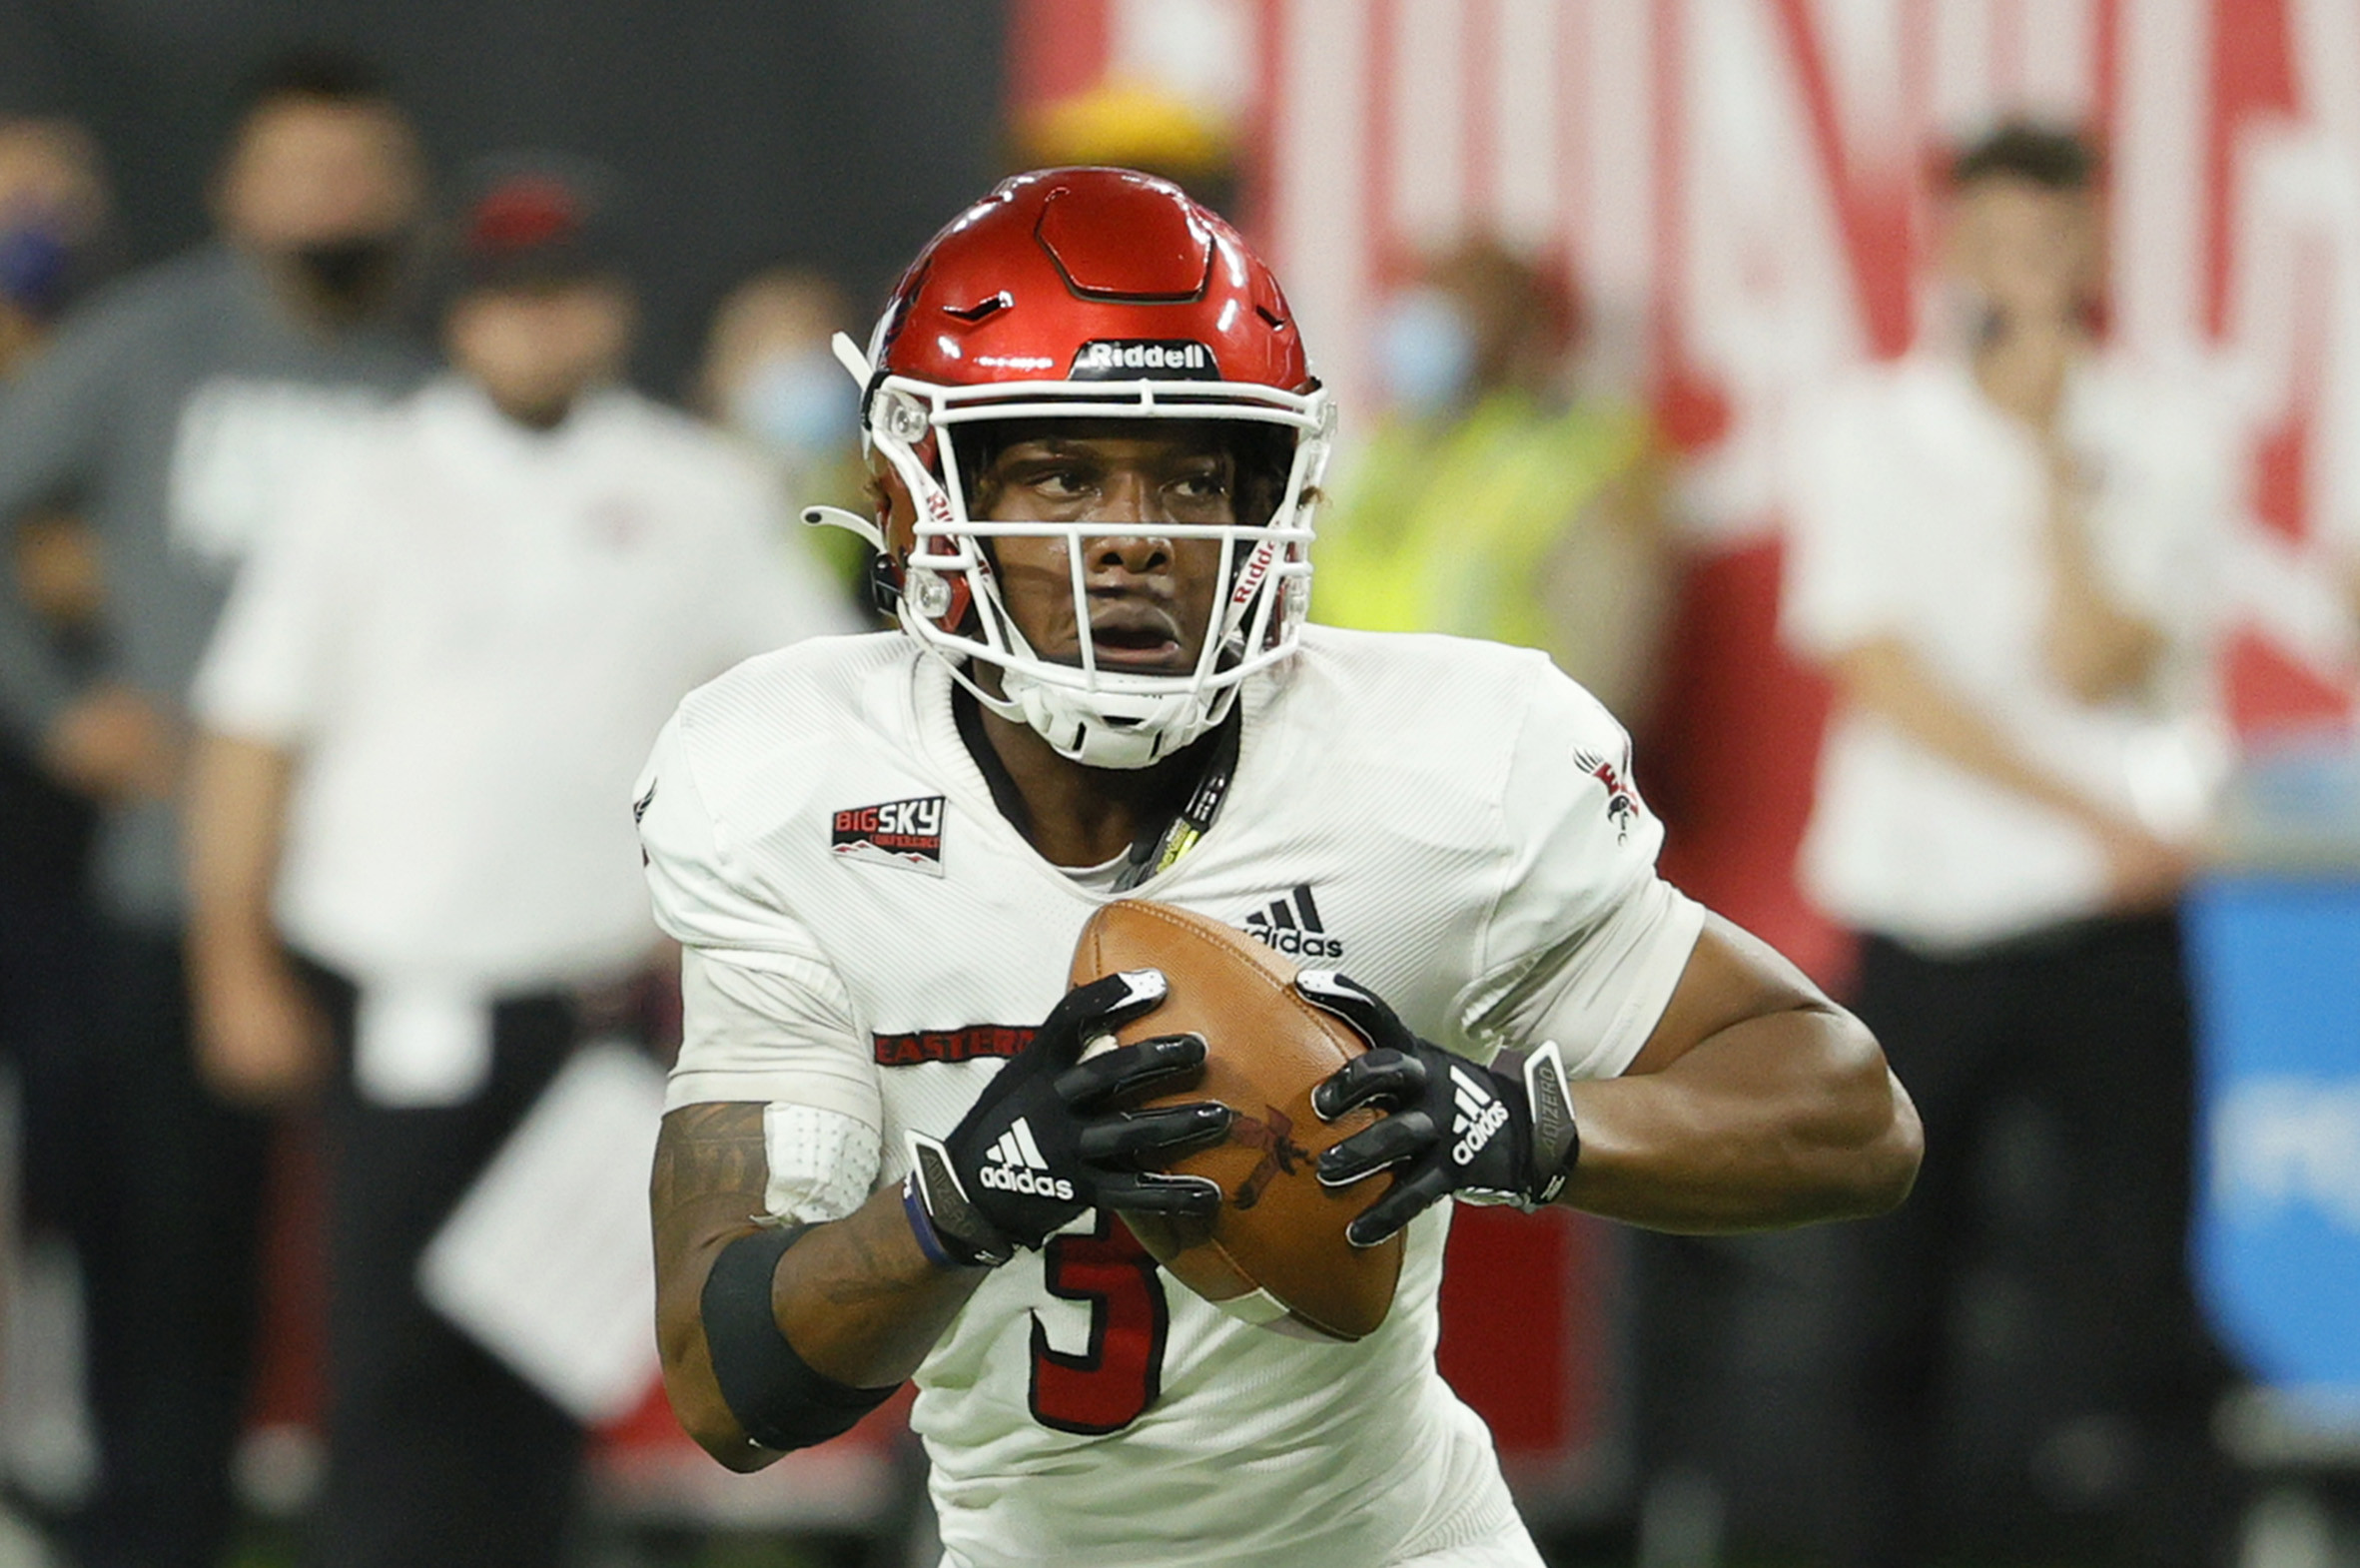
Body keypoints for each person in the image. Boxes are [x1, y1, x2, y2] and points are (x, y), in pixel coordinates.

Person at [635, 167, 1921, 1567]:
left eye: (1193, 474)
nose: (1136, 533)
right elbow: (730, 1382)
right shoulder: (794, 784)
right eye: (1063, 470)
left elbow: (1848, 1113)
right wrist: (976, 1192)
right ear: (918, 496)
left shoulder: (1440, 769)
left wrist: (1517, 1129)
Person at [180, 158, 856, 1568]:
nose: (538, 329)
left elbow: (803, 714)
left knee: (551, 1360)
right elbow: (249, 734)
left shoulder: (692, 487)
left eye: (565, 298)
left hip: (590, 1006)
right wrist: (231, 961)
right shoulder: (363, 483)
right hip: (398, 997)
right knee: (384, 1362)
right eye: (509, 302)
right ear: (461, 319)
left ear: (607, 311)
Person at [1781, 124, 2243, 1566]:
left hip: (2108, 925)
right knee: (1886, 1291)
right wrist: (2084, 810)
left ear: (2093, 245)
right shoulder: (1865, 427)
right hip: (1927, 921)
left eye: (2050, 241)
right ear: (1947, 249)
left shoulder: (2166, 429)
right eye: (1995, 242)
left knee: (2137, 1292)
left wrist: (2050, 458)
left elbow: (2098, 655)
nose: (2023, 271)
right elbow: (1873, 664)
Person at [0, 51, 429, 1568]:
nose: (331, 202)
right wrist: (64, 713)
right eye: (299, 171)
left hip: (385, 903)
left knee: (399, 1281)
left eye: (358, 170)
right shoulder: (145, 347)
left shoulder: (422, 390)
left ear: (404, 192)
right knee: (165, 1277)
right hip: (167, 891)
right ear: (235, 191)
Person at [1314, 237, 1671, 727]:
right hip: (1354, 756)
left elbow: (1604, 677)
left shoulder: (1586, 460)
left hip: (1503, 774)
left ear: (1526, 332)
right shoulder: (1385, 450)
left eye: (1462, 307)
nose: (1429, 327)